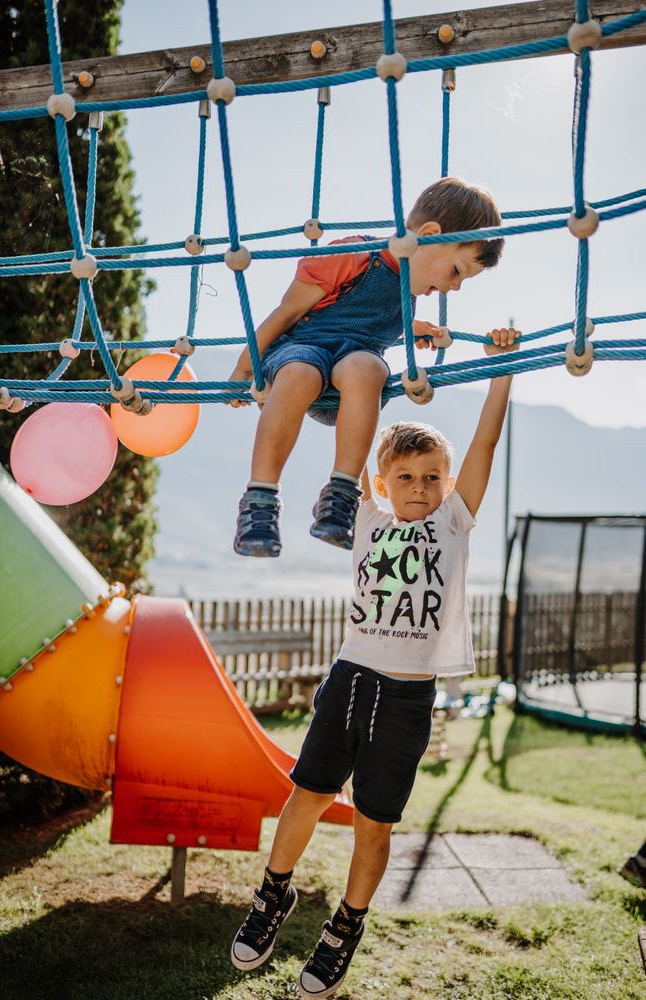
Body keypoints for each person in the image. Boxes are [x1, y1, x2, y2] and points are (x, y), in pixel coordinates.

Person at [230, 326, 520, 999]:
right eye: (404, 477)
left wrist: (499, 371)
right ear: (382, 482)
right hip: (351, 680)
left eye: (429, 477)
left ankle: (345, 927)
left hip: (407, 699)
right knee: (306, 794)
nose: (418, 487)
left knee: (374, 822)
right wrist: (374, 363)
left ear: (444, 484)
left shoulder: (452, 521)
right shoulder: (363, 516)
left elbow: (483, 446)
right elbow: (355, 430)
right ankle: (274, 895)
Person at [227, 176, 505, 558]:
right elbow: (287, 311)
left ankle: (341, 494)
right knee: (300, 373)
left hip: (349, 380)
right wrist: (247, 369)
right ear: (428, 234)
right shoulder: (355, 255)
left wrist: (413, 331)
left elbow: (372, 328)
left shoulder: (408, 293)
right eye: (457, 271)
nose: (454, 287)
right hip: (302, 351)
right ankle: (260, 500)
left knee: (369, 368)